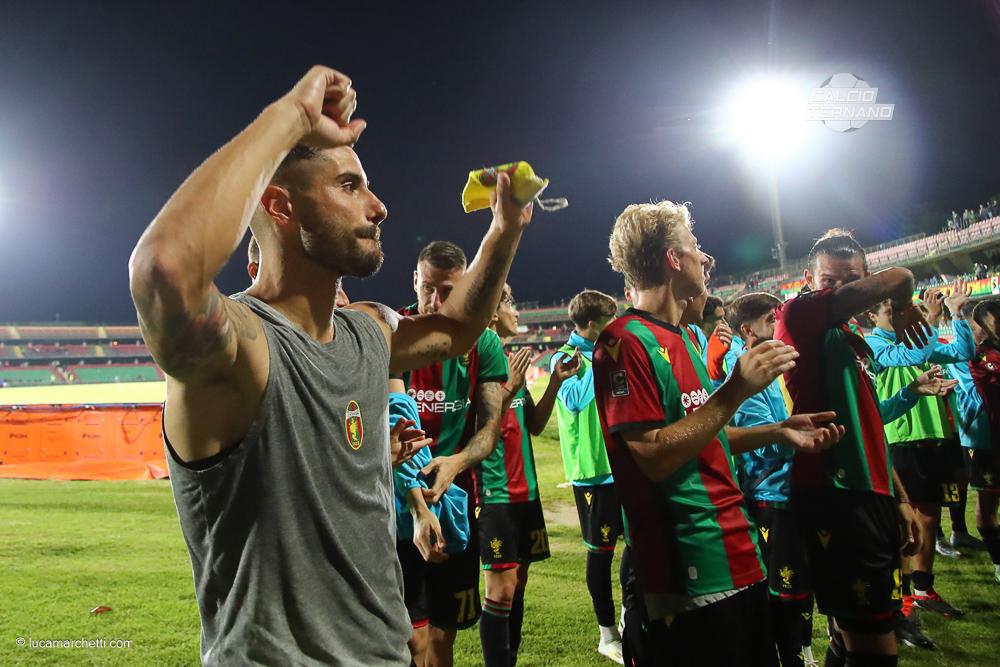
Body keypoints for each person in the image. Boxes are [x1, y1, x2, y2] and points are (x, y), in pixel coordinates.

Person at [128, 65, 533, 666]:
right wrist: (289, 116)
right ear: (279, 206)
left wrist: (504, 229)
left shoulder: (366, 330)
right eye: (349, 187)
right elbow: (164, 271)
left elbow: (456, 330)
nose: (379, 206)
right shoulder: (241, 349)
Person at [594, 200, 843, 666]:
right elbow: (653, 455)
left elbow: (698, 436)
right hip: (687, 571)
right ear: (673, 258)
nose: (705, 259)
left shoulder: (686, 336)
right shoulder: (622, 342)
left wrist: (777, 430)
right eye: (696, 247)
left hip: (738, 549)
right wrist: (736, 390)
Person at [775, 228, 932, 667]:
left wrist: (898, 498)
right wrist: (900, 299)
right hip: (836, 496)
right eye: (831, 281)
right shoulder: (798, 314)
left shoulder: (851, 339)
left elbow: (870, 427)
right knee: (875, 646)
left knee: (849, 639)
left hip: (869, 494)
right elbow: (900, 276)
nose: (843, 291)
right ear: (809, 279)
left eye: (853, 281)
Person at [396, 240, 511, 667]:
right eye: (428, 288)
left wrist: (457, 462)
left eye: (448, 291)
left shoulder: (483, 343)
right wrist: (414, 499)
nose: (436, 301)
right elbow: (389, 426)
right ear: (414, 280)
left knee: (445, 638)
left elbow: (489, 429)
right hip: (397, 508)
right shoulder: (395, 333)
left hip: (456, 506)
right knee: (410, 641)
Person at [478, 285, 581, 667]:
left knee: (518, 584)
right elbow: (477, 425)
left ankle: (511, 657)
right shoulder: (481, 361)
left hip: (528, 494)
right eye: (508, 302)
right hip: (495, 494)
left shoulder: (510, 361)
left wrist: (555, 381)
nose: (517, 311)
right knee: (500, 589)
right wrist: (508, 389)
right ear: (491, 313)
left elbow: (534, 425)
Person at [864, 285, 973, 628]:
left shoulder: (917, 342)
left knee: (927, 519)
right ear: (872, 317)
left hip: (933, 437)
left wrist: (956, 315)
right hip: (900, 440)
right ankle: (901, 603)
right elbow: (908, 357)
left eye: (899, 311)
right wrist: (929, 319)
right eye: (890, 312)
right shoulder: (875, 346)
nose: (897, 317)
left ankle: (923, 589)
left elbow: (962, 351)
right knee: (903, 527)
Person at [552, 289, 626, 663]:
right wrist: (599, 361)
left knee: (639, 541)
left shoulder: (605, 353)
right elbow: (575, 400)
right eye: (610, 321)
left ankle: (630, 612)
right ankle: (606, 633)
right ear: (595, 324)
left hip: (622, 466)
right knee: (601, 554)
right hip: (592, 474)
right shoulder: (564, 358)